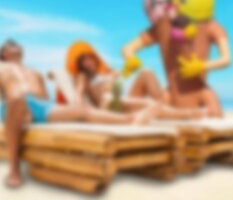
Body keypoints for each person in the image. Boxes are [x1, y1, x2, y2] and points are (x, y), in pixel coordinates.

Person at [0, 39, 154, 188]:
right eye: (11, 44)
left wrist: (58, 111)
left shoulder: (34, 73)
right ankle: (14, 169)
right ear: (4, 53)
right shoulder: (2, 67)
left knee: (82, 110)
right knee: (18, 101)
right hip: (14, 104)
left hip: (42, 107)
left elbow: (46, 99)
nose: (17, 45)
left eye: (17, 44)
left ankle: (129, 119)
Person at [122, 0, 231, 117]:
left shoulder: (210, 26)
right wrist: (130, 59)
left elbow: (226, 59)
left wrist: (202, 65)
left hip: (198, 91)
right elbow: (128, 48)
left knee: (215, 114)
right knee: (155, 104)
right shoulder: (163, 26)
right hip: (171, 95)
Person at [65, 41, 205, 119]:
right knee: (113, 97)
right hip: (108, 106)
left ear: (94, 57)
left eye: (89, 57)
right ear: (80, 65)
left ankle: (165, 108)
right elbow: (78, 93)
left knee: (146, 72)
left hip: (121, 99)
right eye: (83, 61)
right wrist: (80, 112)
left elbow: (120, 86)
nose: (88, 62)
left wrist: (116, 78)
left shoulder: (107, 71)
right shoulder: (82, 77)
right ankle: (187, 113)